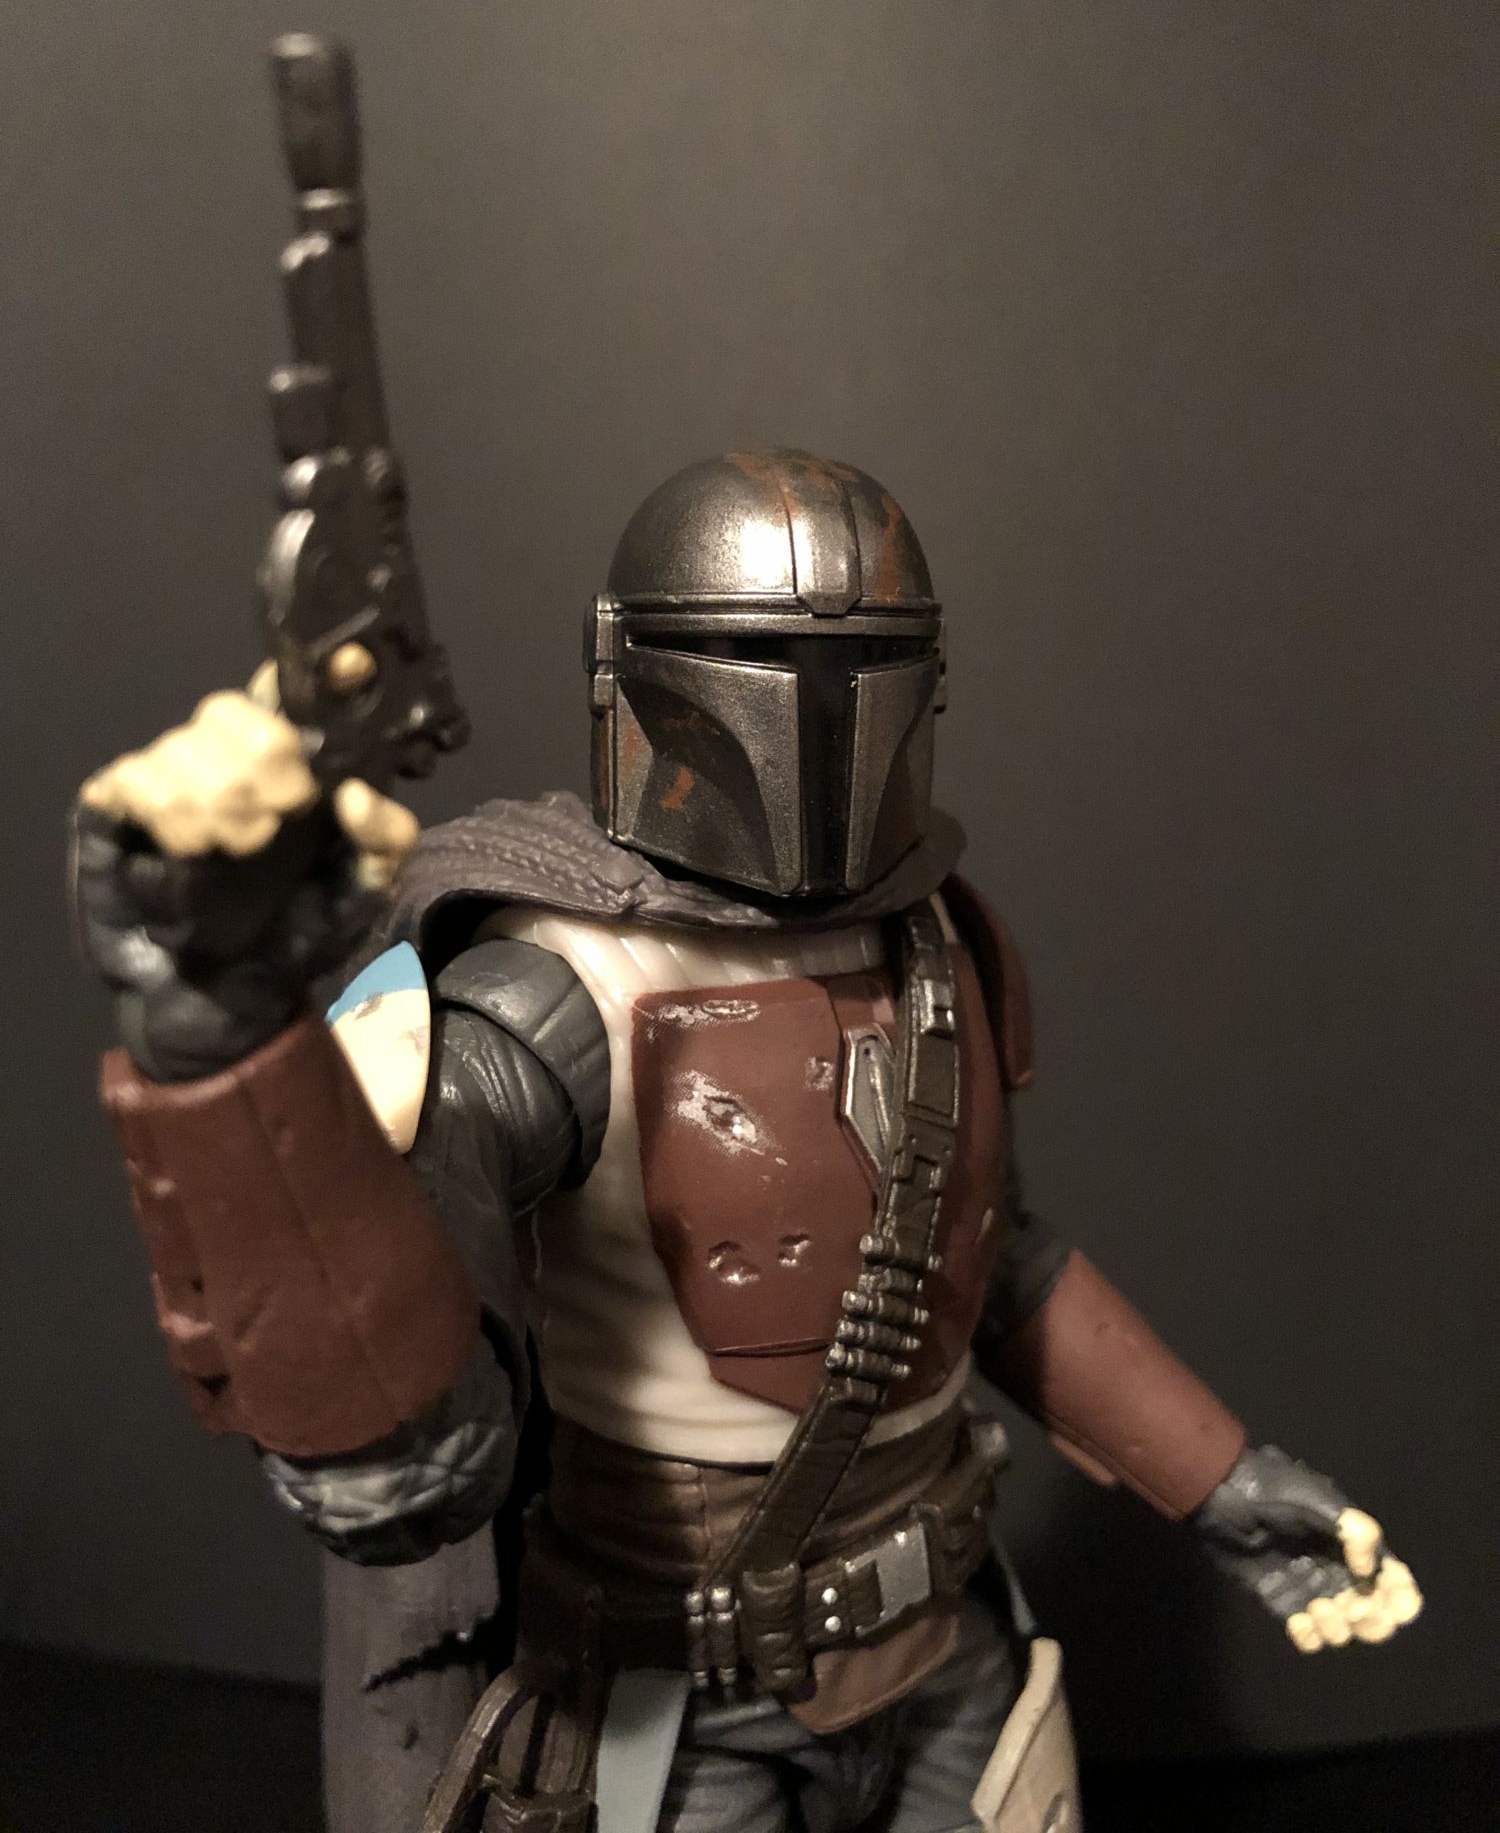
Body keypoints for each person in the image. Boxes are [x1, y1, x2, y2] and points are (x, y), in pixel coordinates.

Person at [74, 450, 1420, 1833]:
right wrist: (227, 1048)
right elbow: (392, 1334)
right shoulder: (557, 987)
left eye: (865, 669)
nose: (819, 719)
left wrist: (1215, 1476)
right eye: (765, 664)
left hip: (949, 1651)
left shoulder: (938, 938)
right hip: (684, 1699)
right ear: (638, 679)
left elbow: (995, 1263)